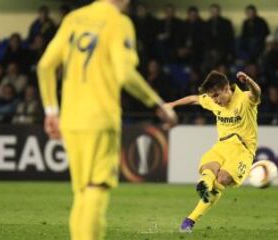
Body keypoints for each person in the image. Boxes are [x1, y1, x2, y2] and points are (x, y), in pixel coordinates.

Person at [36, 1, 177, 240]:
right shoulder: (118, 22)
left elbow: (45, 66)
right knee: (96, 189)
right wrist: (157, 104)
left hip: (70, 119)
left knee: (82, 192)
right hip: (100, 119)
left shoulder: (74, 18)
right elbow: (125, 73)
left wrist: (51, 111)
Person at [166, 70, 261, 232]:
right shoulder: (213, 100)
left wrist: (249, 81)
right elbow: (193, 99)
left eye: (217, 96)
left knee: (222, 179)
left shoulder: (245, 99)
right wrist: (170, 105)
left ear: (227, 89)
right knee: (208, 168)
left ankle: (191, 218)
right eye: (211, 97)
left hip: (242, 150)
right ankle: (202, 190)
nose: (214, 101)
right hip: (221, 146)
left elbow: (257, 92)